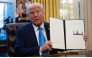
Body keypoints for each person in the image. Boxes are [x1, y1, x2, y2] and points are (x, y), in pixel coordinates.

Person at [15, 3, 88, 57]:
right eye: (32, 13)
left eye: (38, 12)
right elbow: (19, 51)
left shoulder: (53, 27)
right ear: (28, 17)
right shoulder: (21, 31)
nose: (36, 15)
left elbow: (62, 46)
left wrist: (78, 39)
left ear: (43, 14)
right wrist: (41, 48)